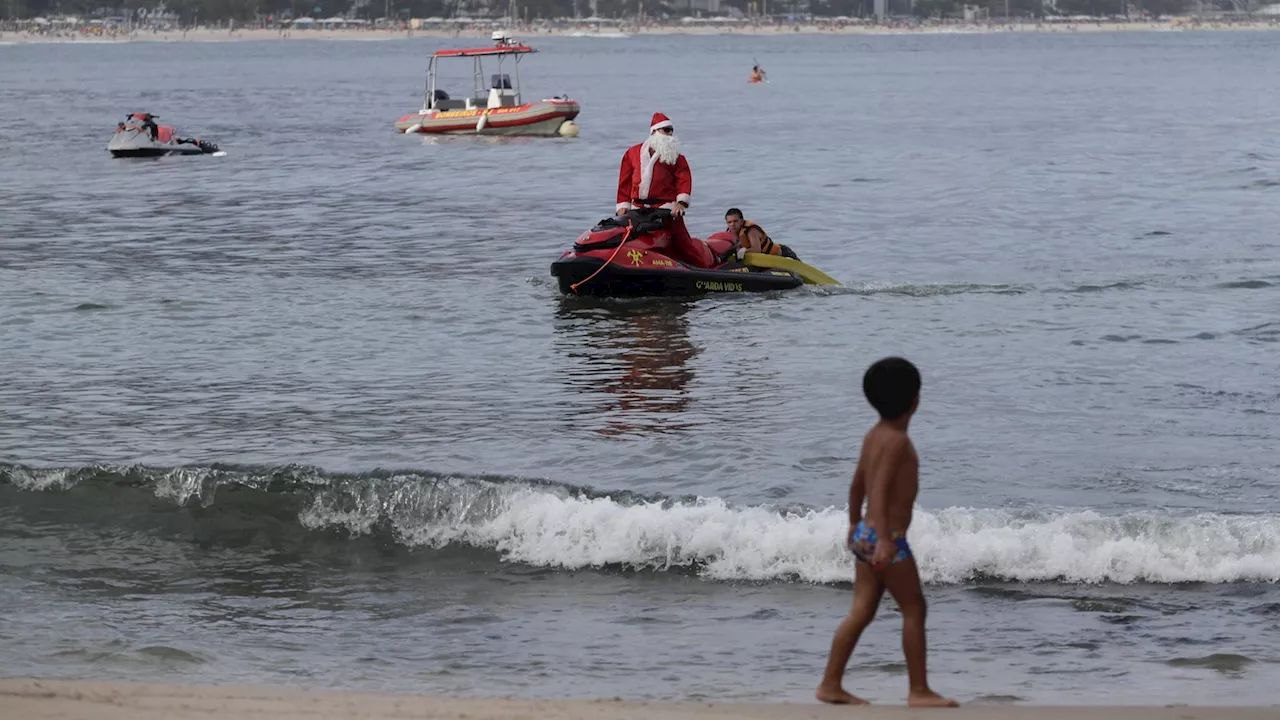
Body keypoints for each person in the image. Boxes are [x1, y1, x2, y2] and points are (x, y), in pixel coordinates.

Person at [815, 357, 958, 709]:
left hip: (866, 533)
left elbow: (858, 483)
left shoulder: (873, 435)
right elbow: (877, 490)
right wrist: (882, 539)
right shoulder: (898, 443)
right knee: (914, 608)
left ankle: (830, 684)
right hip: (887, 540)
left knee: (862, 609)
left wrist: (853, 523)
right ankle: (919, 691)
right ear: (915, 401)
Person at [616, 112, 715, 269]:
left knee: (683, 244)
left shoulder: (677, 157)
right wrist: (623, 206)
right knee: (627, 238)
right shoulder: (632, 154)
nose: (670, 134)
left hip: (667, 209)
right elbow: (624, 182)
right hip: (637, 210)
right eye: (666, 130)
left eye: (671, 130)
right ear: (654, 132)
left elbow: (684, 180)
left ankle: (703, 268)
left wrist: (681, 204)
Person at [724, 208, 800, 261]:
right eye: (729, 222)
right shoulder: (729, 234)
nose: (732, 224)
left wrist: (742, 251)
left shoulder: (750, 230)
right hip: (763, 261)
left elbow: (757, 250)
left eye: (735, 221)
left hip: (783, 254)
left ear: (741, 221)